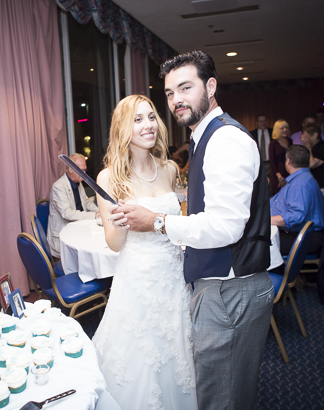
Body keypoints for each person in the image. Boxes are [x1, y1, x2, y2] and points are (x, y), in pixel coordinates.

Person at [108, 50, 273, 410]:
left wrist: (157, 221)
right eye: (169, 93)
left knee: (223, 396)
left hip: (230, 289)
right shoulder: (203, 140)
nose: (176, 100)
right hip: (205, 285)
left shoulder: (225, 140)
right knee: (215, 388)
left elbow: (226, 226)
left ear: (210, 86)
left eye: (185, 88)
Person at [92, 94, 197, 410]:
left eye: (151, 116)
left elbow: (176, 223)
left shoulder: (170, 169)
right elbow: (114, 244)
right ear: (123, 127)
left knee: (178, 353)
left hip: (173, 277)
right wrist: (122, 220)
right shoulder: (109, 178)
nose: (148, 124)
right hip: (136, 280)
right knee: (140, 360)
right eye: (138, 119)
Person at [270, 145, 324, 255]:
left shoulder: (299, 184)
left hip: (302, 239)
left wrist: (263, 220)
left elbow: (295, 217)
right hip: (300, 235)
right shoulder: (301, 178)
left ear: (288, 162)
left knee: (254, 243)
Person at [46, 153, 100, 258]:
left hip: (77, 229)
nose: (84, 174)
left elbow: (86, 202)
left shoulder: (78, 183)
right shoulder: (58, 187)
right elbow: (67, 214)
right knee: (89, 254)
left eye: (85, 170)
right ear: (70, 169)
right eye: (81, 171)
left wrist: (100, 211)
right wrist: (95, 215)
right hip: (64, 236)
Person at [301, 123, 324, 200]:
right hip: (316, 187)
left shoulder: (323, 148)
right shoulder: (313, 148)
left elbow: (311, 164)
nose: (305, 138)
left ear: (315, 135)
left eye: (307, 136)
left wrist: (308, 146)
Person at [269, 119, 292, 194]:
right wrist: (280, 177)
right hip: (278, 176)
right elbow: (272, 162)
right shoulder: (273, 143)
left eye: (286, 128)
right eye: (282, 128)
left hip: (289, 173)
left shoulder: (290, 141)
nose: (285, 130)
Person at [251, 114, 272, 188]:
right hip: (258, 163)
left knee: (271, 185)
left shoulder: (272, 132)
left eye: (264, 121)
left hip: (270, 163)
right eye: (260, 121)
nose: (262, 123)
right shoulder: (251, 134)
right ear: (257, 122)